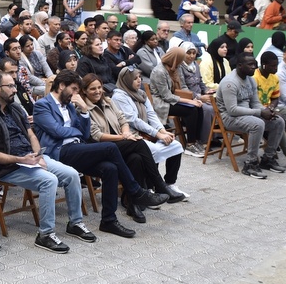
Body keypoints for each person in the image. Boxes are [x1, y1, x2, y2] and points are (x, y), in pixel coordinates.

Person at [32, 71, 169, 238]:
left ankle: (108, 221)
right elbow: (57, 131)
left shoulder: (69, 105)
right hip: (59, 153)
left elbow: (83, 133)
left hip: (77, 149)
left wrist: (83, 109)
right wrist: (75, 132)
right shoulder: (42, 105)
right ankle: (136, 192)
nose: (76, 94)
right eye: (74, 89)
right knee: (110, 148)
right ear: (61, 86)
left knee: (110, 168)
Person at [0, 70, 96, 253]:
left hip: (31, 158)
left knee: (71, 174)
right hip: (8, 166)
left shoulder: (14, 108)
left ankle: (75, 223)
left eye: (15, 85)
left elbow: (31, 134)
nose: (15, 90)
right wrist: (22, 159)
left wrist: (37, 155)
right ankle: (45, 235)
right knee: (49, 180)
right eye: (11, 86)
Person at [83, 74, 184, 223]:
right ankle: (159, 185)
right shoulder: (84, 108)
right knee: (139, 143)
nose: (98, 91)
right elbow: (97, 135)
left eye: (99, 87)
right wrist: (124, 137)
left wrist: (125, 132)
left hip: (119, 143)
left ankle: (133, 203)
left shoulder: (108, 101)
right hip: (101, 147)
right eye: (93, 89)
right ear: (84, 91)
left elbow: (123, 119)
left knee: (136, 158)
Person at [109, 69, 188, 199]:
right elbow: (134, 120)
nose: (139, 80)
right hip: (132, 135)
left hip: (148, 133)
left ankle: (169, 183)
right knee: (154, 151)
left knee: (176, 146)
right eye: (135, 78)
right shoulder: (119, 97)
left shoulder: (140, 93)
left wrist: (162, 131)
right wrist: (158, 134)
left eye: (140, 77)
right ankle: (151, 188)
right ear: (126, 80)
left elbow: (151, 115)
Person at [216, 53, 286, 178]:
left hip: (247, 114)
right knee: (258, 124)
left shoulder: (251, 80)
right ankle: (250, 164)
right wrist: (260, 113)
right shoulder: (230, 83)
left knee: (278, 121)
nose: (254, 67)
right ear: (239, 65)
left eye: (254, 64)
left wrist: (267, 111)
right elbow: (232, 110)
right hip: (230, 118)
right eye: (250, 65)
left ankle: (268, 159)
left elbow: (255, 103)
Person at [149, 47, 207, 158]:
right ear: (175, 58)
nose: (182, 61)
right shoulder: (159, 71)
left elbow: (183, 86)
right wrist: (189, 101)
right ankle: (190, 144)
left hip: (174, 98)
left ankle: (196, 139)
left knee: (199, 106)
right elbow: (166, 96)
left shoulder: (176, 67)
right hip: (162, 103)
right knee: (191, 110)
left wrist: (193, 98)